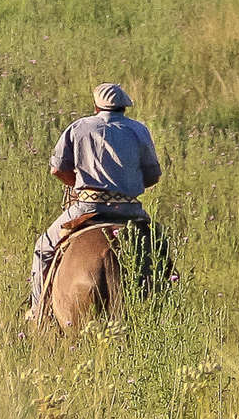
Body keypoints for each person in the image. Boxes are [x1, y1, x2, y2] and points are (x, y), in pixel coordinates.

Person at [28, 83, 162, 321]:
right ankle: (170, 307)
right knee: (161, 249)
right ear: (124, 108)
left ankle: (39, 312)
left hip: (87, 207)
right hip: (131, 211)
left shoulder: (79, 127)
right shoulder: (140, 130)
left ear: (96, 106)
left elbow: (57, 169)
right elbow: (153, 176)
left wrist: (76, 183)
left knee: (43, 248)